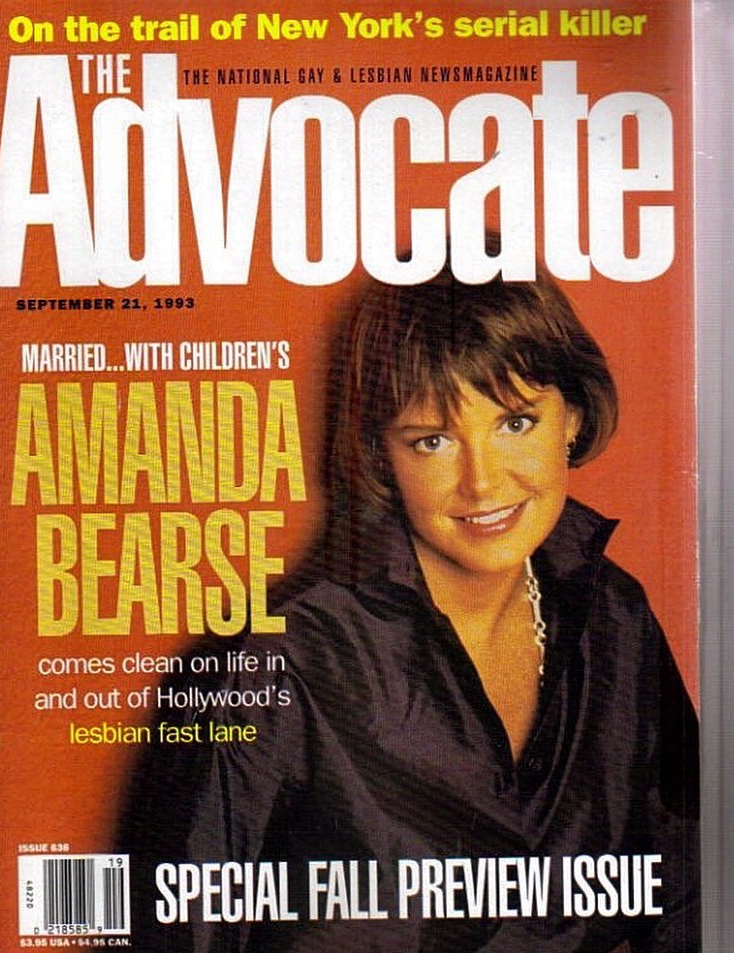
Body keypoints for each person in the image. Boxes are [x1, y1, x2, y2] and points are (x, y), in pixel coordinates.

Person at [119, 253, 699, 952]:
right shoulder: (278, 660)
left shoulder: (615, 618)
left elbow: (691, 898)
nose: (482, 482)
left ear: (571, 416)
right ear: (381, 455)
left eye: (515, 422)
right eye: (433, 440)